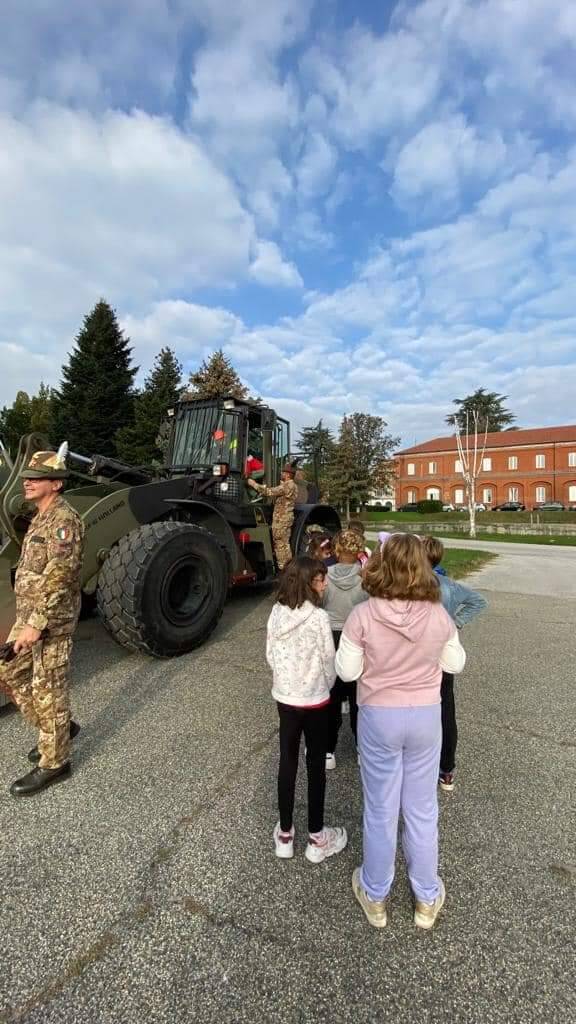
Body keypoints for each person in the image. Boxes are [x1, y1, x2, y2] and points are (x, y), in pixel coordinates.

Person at [336, 534, 465, 930]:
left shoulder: (363, 615)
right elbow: (455, 663)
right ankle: (426, 897)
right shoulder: (439, 615)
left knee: (380, 808)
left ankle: (376, 894)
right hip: (425, 715)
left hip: (380, 714)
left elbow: (347, 672)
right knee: (422, 809)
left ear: (383, 563)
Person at [0, 445, 85, 796]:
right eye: (27, 477)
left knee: (47, 686)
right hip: (30, 614)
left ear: (57, 484)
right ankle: (57, 728)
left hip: (51, 618)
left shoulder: (64, 520)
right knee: (9, 671)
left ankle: (55, 762)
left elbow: (61, 574)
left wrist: (38, 622)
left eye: (37, 478)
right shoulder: (41, 515)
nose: (27, 482)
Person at [266, 557, 348, 863]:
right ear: (305, 582)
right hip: (315, 700)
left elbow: (270, 654)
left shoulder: (276, 613)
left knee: (287, 761)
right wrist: (324, 685)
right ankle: (316, 836)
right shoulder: (318, 618)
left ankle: (285, 834)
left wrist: (286, 682)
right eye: (320, 579)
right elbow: (330, 659)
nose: (325, 584)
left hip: (286, 698)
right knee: (315, 764)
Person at [422, 536, 487, 792]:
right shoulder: (449, 585)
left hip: (423, 654)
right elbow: (479, 601)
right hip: (443, 653)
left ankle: (423, 765)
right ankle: (446, 768)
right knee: (446, 710)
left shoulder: (417, 585)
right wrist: (456, 621)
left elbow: (480, 602)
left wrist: (455, 622)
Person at [322, 529, 368, 768]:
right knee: (358, 695)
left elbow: (319, 603)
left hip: (331, 635)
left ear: (336, 549)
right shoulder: (365, 577)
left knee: (332, 694)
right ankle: (362, 747)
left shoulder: (325, 575)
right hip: (357, 636)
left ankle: (328, 750)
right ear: (359, 551)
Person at [247, 464, 298, 570]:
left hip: (281, 520)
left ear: (288, 475)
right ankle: (289, 568)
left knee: (280, 544)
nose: (281, 474)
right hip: (285, 518)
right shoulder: (291, 485)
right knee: (285, 544)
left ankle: (283, 569)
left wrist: (253, 484)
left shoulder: (288, 485)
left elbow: (268, 492)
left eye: (283, 472)